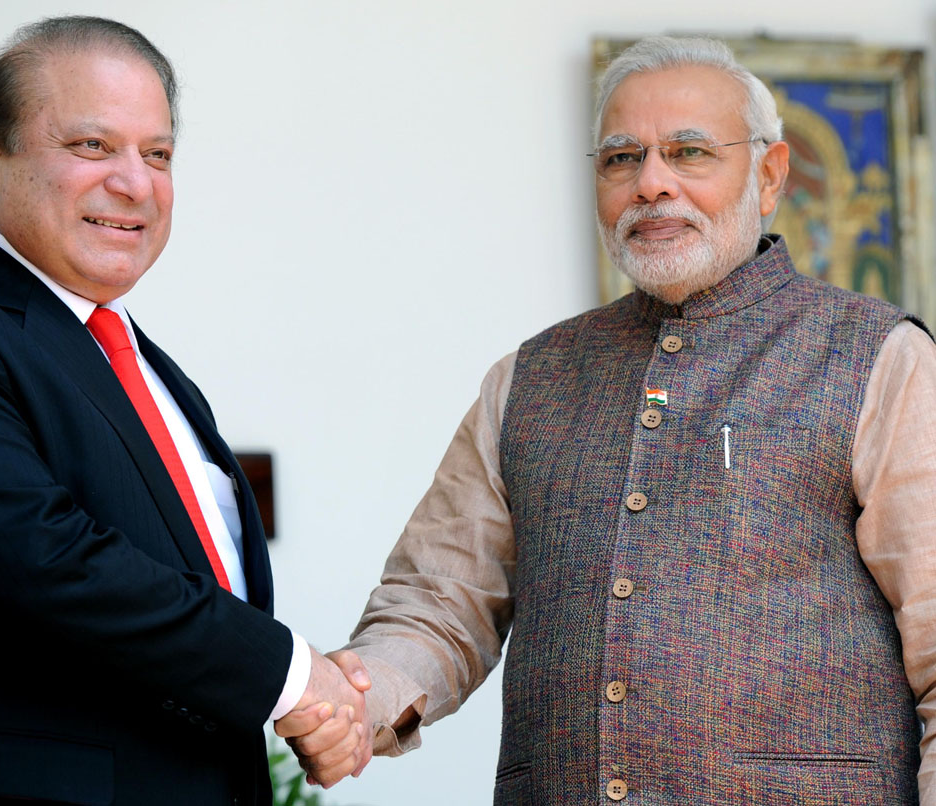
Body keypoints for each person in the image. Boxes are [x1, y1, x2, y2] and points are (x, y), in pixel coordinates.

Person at [281, 35, 936, 804]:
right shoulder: (531, 377)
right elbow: (437, 603)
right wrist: (357, 701)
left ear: (769, 174)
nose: (651, 184)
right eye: (621, 158)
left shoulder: (878, 359)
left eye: (688, 152)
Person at [0, 15, 369, 805]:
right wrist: (292, 677)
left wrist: (315, 684)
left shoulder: (146, 366)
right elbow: (48, 558)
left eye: (157, 154)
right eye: (93, 146)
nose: (135, 182)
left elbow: (188, 595)